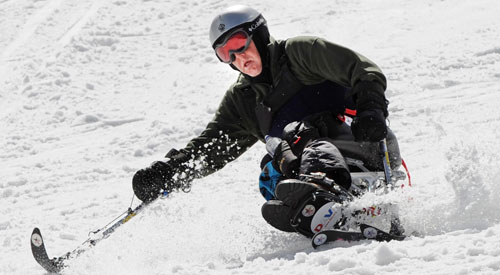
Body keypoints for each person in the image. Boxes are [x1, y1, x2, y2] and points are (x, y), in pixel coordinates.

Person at [132, 5, 401, 237]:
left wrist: (371, 108)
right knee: (270, 168)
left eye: (238, 43)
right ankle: (313, 210)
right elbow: (211, 147)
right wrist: (169, 172)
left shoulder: (300, 54)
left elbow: (362, 69)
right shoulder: (244, 100)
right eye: (226, 54)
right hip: (306, 163)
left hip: (365, 144)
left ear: (258, 35)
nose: (238, 58)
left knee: (295, 133)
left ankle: (323, 193)